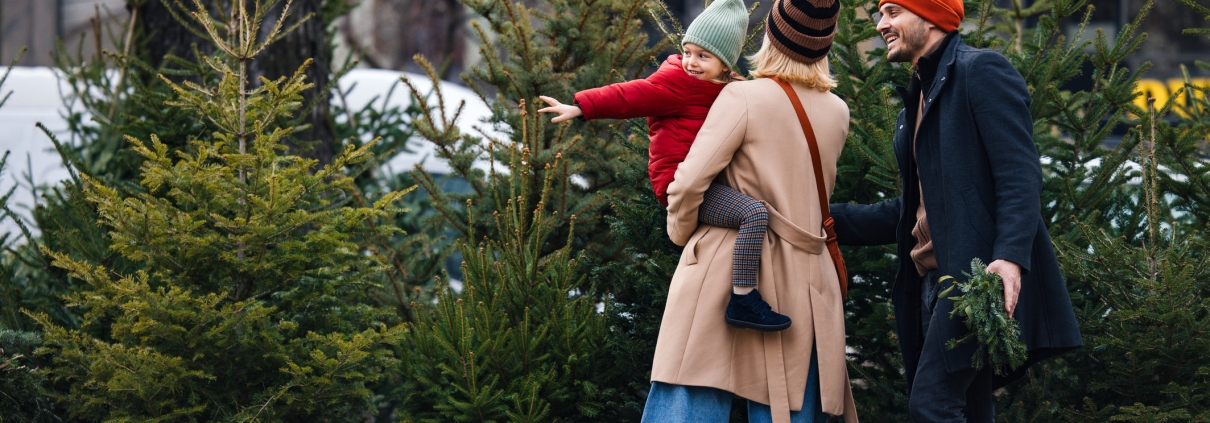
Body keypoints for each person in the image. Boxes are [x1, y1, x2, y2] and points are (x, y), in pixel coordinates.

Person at [829, 0, 1083, 421]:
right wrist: (820, 216)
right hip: (935, 281)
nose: (881, 24)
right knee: (969, 407)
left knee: (932, 403)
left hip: (975, 278)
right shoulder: (922, 93)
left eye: (893, 12)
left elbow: (1019, 176)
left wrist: (1010, 258)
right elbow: (915, 211)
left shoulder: (980, 71)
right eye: (880, 13)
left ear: (930, 16)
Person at [641, 0, 857, 422]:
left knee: (689, 400)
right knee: (790, 407)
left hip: (727, 270)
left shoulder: (743, 95)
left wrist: (682, 232)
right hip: (806, 282)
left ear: (771, 37)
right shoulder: (838, 111)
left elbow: (687, 183)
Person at [537, 0, 793, 331]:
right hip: (678, 181)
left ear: (726, 63)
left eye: (703, 56)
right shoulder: (676, 83)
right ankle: (742, 298)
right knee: (753, 213)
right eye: (688, 52)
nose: (691, 62)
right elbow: (630, 95)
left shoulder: (731, 87)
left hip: (710, 177)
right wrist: (582, 107)